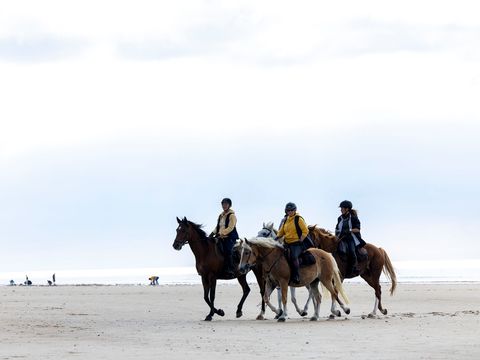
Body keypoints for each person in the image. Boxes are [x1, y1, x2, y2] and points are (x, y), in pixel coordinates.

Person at [275, 202, 309, 284]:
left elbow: (305, 230)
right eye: (288, 210)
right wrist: (276, 238)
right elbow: (281, 232)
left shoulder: (298, 219)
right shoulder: (286, 220)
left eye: (291, 210)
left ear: (295, 210)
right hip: (287, 243)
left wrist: (301, 239)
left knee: (294, 257)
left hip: (297, 244)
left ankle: (296, 276)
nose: (289, 212)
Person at [335, 200, 366, 274]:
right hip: (341, 238)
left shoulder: (354, 217)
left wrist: (349, 230)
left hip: (351, 238)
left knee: (352, 251)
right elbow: (337, 228)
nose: (341, 210)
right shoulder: (340, 218)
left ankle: (354, 268)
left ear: (347, 209)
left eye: (342, 208)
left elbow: (357, 229)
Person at [211, 198, 239, 277]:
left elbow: (230, 228)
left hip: (229, 238)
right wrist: (212, 233)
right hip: (220, 237)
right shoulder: (221, 215)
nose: (224, 205)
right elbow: (218, 227)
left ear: (229, 205)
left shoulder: (232, 216)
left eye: (226, 204)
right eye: (223, 204)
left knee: (228, 251)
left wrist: (220, 233)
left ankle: (230, 269)